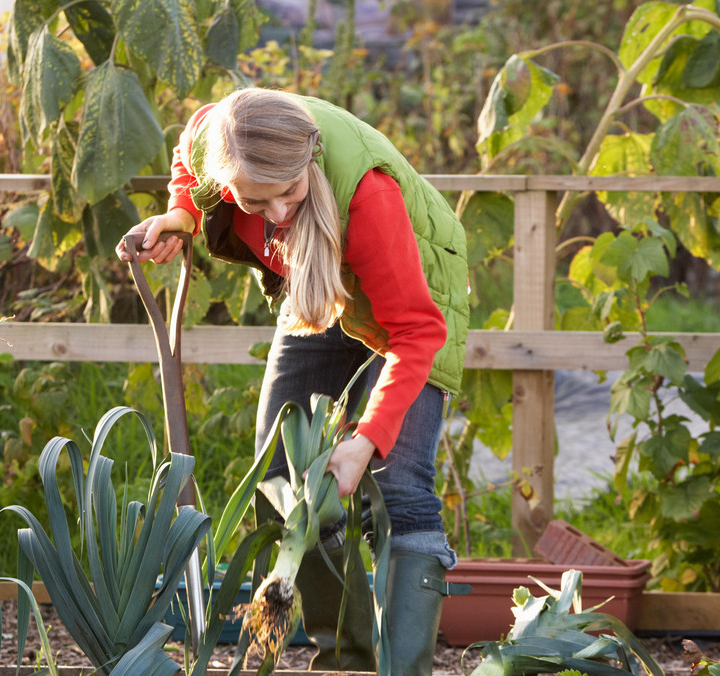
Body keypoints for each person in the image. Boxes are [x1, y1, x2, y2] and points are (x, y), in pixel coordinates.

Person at [116, 88, 469, 675]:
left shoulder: (369, 200)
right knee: (281, 473)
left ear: (309, 158)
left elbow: (416, 333)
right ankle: (345, 663)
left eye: (290, 191)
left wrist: (365, 440)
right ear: (229, 181)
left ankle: (404, 670)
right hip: (317, 282)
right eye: (256, 201)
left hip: (408, 295)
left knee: (399, 482)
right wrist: (182, 212)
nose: (278, 212)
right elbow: (189, 151)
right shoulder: (219, 137)